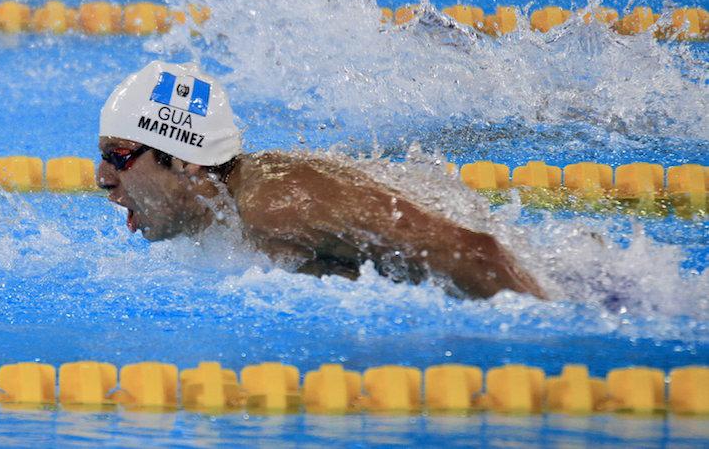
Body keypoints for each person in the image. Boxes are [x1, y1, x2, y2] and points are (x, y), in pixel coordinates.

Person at [97, 61, 547, 299]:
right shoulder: (237, 210)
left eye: (118, 157)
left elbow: (473, 253)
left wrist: (548, 341)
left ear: (185, 160)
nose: (102, 179)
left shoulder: (278, 206)